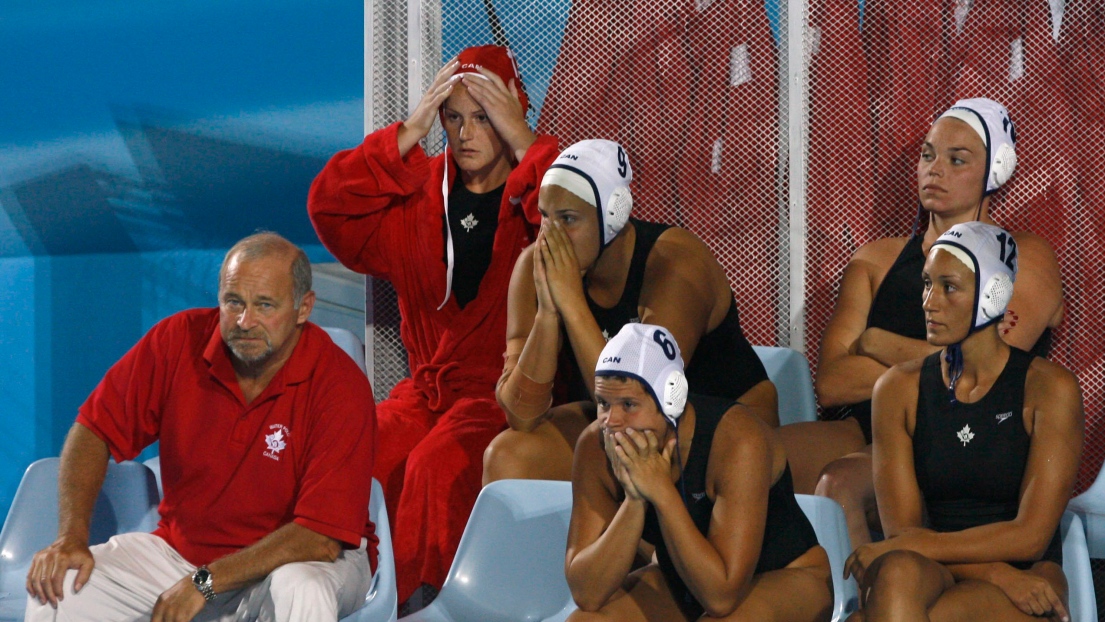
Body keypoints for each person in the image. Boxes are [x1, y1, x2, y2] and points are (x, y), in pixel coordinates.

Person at [307, 45, 559, 606]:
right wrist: (410, 128)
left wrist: (525, 144)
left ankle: (433, 607)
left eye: (484, 117)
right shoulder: (416, 194)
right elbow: (328, 206)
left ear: (515, 112)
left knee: (435, 466)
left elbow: (579, 233)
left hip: (510, 398)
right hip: (427, 394)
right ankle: (345, 599)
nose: (467, 134)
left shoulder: (538, 197)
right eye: (454, 118)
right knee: (356, 449)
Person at [24, 232, 377, 622]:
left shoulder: (340, 384)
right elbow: (93, 430)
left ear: (303, 308)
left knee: (302, 589)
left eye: (264, 305)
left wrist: (205, 581)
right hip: (181, 556)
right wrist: (71, 538)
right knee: (60, 587)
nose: (246, 321)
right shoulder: (178, 341)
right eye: (234, 302)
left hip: (298, 561)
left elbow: (320, 538)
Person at [780, 97, 1065, 547]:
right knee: (747, 456)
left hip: (975, 430)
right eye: (928, 155)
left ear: (997, 169)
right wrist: (924, 371)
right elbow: (834, 382)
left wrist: (877, 343)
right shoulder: (875, 261)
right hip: (871, 426)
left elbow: (993, 369)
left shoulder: (1022, 257)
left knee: (840, 483)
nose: (936, 170)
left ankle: (867, 604)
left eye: (957, 159)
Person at [485, 139, 775, 483]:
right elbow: (521, 414)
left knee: (637, 449)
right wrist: (547, 314)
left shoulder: (676, 266)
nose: (552, 237)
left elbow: (642, 398)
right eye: (545, 217)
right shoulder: (534, 266)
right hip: (616, 424)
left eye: (568, 219)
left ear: (614, 214)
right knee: (508, 458)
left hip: (719, 427)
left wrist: (570, 301)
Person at [842, 221, 1082, 622]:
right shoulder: (897, 389)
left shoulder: (1049, 389)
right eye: (926, 284)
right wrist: (993, 573)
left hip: (1029, 576)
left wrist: (1004, 575)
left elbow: (1029, 537)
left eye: (948, 287)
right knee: (897, 572)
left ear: (993, 294)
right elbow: (904, 535)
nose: (928, 302)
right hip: (944, 569)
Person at [565, 323, 832, 621]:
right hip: (684, 579)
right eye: (603, 403)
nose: (611, 421)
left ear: (671, 399)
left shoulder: (737, 440)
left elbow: (721, 597)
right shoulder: (595, 447)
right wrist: (635, 499)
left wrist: (660, 491)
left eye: (628, 404)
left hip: (789, 577)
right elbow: (587, 593)